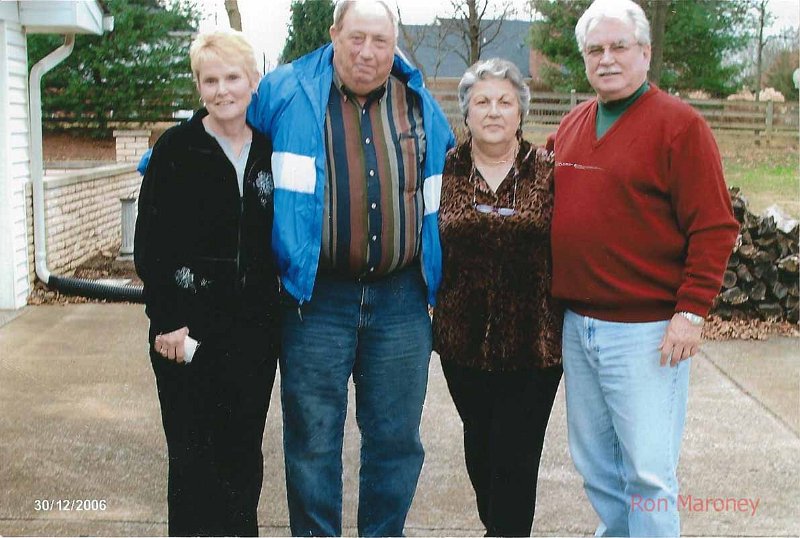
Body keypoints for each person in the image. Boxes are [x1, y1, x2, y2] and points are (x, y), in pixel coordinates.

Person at [247, 1, 454, 536]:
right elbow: (225, 141)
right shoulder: (284, 92)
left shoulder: (420, 105)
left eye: (380, 41)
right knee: (312, 440)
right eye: (356, 37)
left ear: (395, 45)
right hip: (315, 299)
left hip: (402, 302)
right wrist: (168, 165)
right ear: (334, 33)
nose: (367, 52)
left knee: (396, 441)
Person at [549, 0, 740, 536]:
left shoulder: (680, 127)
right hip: (578, 327)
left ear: (645, 53)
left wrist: (691, 312)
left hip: (647, 332)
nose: (606, 59)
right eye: (595, 50)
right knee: (595, 467)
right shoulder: (570, 125)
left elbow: (715, 227)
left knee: (649, 474)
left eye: (619, 47)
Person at [133, 31, 279, 537]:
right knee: (195, 460)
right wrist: (168, 320)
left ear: (253, 81)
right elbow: (150, 244)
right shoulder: (177, 148)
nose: (222, 90)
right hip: (187, 334)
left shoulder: (269, 151)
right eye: (210, 80)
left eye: (233, 77)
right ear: (198, 86)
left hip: (254, 334)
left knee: (242, 457)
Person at [432, 58, 563, 537]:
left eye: (505, 102)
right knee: (480, 453)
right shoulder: (442, 172)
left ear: (520, 112)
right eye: (482, 102)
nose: (493, 112)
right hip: (461, 344)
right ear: (466, 113)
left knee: (516, 457)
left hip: (534, 346)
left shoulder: (549, 171)